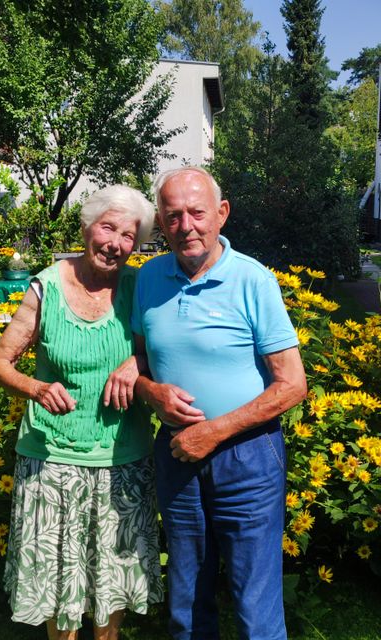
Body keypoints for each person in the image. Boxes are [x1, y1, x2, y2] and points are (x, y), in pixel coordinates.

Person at [131, 167, 307, 640]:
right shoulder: (148, 279)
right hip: (177, 453)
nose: (186, 225)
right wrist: (151, 391)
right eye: (173, 216)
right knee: (187, 594)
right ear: (161, 224)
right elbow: (137, 359)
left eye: (197, 212)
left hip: (247, 456)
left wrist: (214, 431)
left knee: (255, 598)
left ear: (221, 214)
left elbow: (292, 384)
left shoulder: (253, 280)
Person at [0, 184, 163, 640]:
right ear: (87, 227)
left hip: (121, 458)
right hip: (52, 459)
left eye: (128, 236)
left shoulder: (139, 287)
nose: (115, 243)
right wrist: (37, 387)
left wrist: (136, 361)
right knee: (58, 584)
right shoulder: (47, 285)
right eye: (107, 228)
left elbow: (163, 350)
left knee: (113, 579)